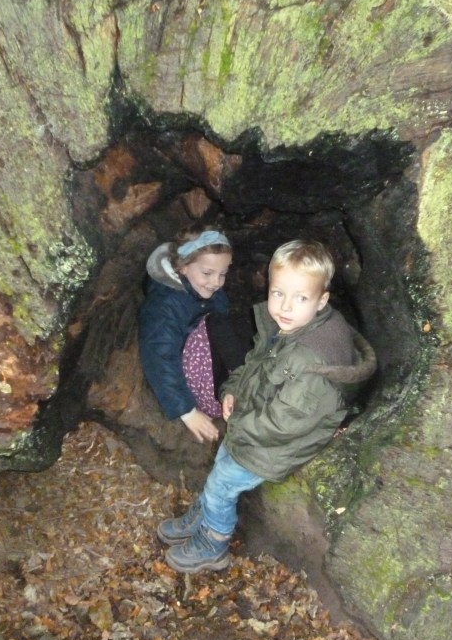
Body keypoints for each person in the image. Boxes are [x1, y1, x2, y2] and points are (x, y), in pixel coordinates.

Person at [156, 239, 377, 573]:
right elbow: (255, 365)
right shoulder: (289, 327)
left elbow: (286, 423)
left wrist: (240, 422)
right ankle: (205, 515)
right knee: (222, 465)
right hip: (255, 422)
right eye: (278, 293)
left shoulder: (310, 363)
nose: (285, 306)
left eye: (300, 298)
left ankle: (213, 545)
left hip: (278, 444)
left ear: (321, 301)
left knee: (222, 484)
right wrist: (232, 390)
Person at [138, 227, 247, 444]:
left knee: (242, 322)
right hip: (200, 386)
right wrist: (187, 412)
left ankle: (244, 379)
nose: (216, 282)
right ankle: (244, 385)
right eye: (207, 273)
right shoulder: (164, 305)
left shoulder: (204, 289)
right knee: (219, 324)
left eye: (223, 274)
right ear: (183, 266)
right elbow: (160, 357)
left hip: (213, 368)